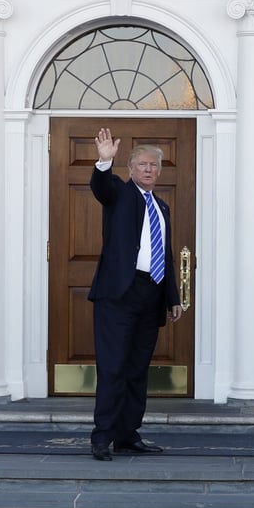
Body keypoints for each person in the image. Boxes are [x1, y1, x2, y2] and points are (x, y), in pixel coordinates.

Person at [88, 128, 183, 462]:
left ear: (160, 171)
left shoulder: (162, 207)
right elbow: (100, 187)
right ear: (130, 169)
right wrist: (104, 161)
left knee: (137, 369)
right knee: (113, 367)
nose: (148, 169)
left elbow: (165, 255)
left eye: (154, 165)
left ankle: (127, 435)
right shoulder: (119, 192)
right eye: (142, 164)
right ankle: (102, 437)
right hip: (118, 295)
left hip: (151, 294)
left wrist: (173, 297)